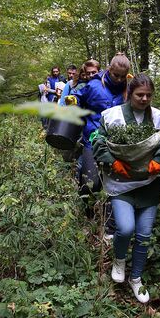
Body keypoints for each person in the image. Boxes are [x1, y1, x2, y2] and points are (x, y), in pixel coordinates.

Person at [91, 73, 160, 303]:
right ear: (130, 93)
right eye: (140, 94)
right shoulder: (112, 116)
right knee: (126, 228)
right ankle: (119, 260)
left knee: (144, 234)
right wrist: (111, 161)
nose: (144, 99)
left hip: (150, 183)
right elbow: (95, 138)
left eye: (149, 95)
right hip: (121, 183)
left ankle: (136, 278)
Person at [65, 54, 130, 231]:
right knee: (90, 182)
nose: (119, 79)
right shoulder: (94, 85)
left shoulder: (127, 89)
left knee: (114, 185)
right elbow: (78, 97)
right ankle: (87, 216)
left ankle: (109, 223)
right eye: (116, 75)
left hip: (117, 144)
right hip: (91, 141)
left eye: (123, 76)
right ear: (109, 69)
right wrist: (73, 100)